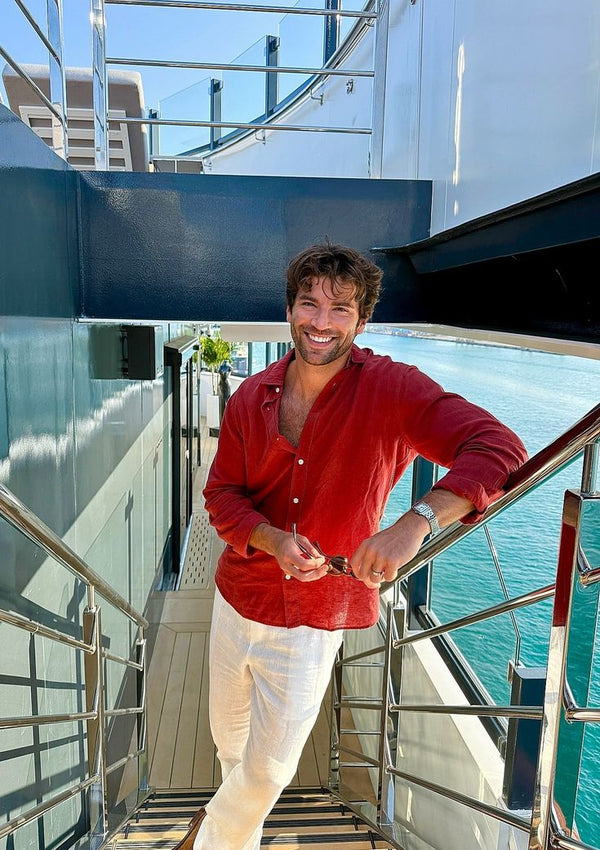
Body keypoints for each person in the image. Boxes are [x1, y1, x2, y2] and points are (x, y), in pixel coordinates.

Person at [175, 242, 528, 850]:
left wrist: (415, 521)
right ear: (289, 310)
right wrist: (272, 539)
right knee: (231, 749)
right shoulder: (250, 396)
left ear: (361, 321)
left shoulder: (393, 388)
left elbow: (499, 449)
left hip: (316, 617)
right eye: (309, 303)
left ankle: (204, 838)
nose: (322, 321)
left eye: (340, 308)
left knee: (269, 769)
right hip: (236, 599)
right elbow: (221, 494)